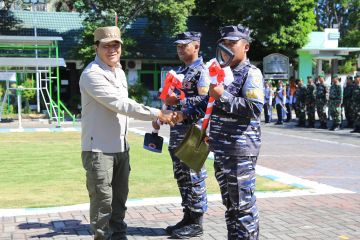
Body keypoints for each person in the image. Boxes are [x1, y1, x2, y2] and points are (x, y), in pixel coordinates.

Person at [79, 26, 174, 240]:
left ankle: (119, 237)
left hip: (121, 147)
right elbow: (121, 105)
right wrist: (157, 113)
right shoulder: (91, 75)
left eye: (116, 45)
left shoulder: (120, 72)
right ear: (96, 47)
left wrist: (157, 118)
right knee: (103, 202)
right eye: (106, 45)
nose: (112, 49)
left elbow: (125, 109)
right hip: (98, 150)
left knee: (119, 200)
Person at [176, 24, 263, 239]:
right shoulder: (222, 73)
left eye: (232, 43)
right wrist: (181, 114)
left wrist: (223, 95)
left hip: (240, 151)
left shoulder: (251, 74)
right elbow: (208, 102)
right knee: (231, 205)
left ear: (246, 47)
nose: (227, 47)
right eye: (224, 43)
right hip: (222, 150)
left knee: (243, 207)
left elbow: (255, 108)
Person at [160, 31, 209, 239]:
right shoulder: (181, 70)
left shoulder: (202, 72)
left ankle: (197, 222)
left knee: (193, 176)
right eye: (178, 46)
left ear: (196, 46)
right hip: (177, 132)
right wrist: (166, 104)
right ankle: (188, 216)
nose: (180, 49)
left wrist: (178, 103)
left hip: (193, 132)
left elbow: (206, 102)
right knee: (181, 175)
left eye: (184, 45)